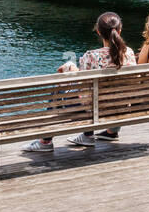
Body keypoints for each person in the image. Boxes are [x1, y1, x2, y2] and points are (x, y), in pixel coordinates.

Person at [24, 12, 136, 152]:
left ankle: (45, 141)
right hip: (122, 107)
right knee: (97, 94)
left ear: (98, 31)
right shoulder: (129, 53)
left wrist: (69, 67)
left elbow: (80, 85)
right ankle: (93, 134)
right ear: (119, 31)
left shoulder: (91, 56)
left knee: (60, 87)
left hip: (95, 110)